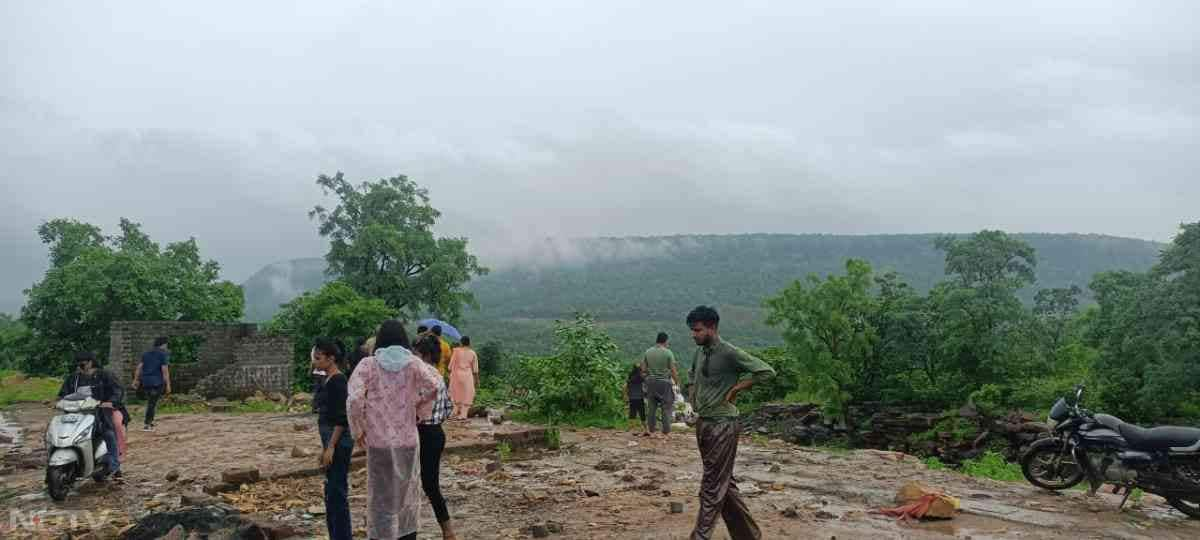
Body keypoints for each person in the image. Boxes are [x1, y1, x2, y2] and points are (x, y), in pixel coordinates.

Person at [685, 306, 775, 540]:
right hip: (704, 424)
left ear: (712, 328)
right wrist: (692, 399)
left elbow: (766, 372)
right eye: (692, 331)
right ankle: (748, 535)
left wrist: (737, 387)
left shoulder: (729, 352)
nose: (693, 335)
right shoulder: (700, 352)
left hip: (723, 425)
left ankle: (700, 537)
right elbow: (692, 375)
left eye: (697, 330)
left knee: (712, 486)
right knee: (724, 483)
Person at [348, 320, 440, 540]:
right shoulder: (414, 364)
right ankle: (406, 535)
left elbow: (353, 400)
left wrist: (359, 429)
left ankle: (383, 536)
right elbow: (435, 385)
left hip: (378, 441)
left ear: (380, 340)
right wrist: (418, 407)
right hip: (407, 440)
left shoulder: (368, 365)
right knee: (407, 494)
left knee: (381, 497)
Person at [414, 335, 458, 539]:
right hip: (436, 432)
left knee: (427, 484)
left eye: (416, 354)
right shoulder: (439, 376)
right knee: (430, 483)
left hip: (424, 433)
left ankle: (447, 531)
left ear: (425, 355)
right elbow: (449, 407)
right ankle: (447, 531)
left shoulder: (422, 377)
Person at [58, 351, 125, 482]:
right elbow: (63, 393)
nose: (79, 366)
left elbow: (117, 391)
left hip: (100, 414)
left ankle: (115, 465)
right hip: (77, 415)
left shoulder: (105, 375)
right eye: (77, 364)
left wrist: (110, 402)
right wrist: (57, 401)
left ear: (90, 362)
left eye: (82, 363)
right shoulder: (74, 378)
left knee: (109, 434)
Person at [312, 338, 353, 540]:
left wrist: (330, 447)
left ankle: (342, 536)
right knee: (331, 491)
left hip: (338, 441)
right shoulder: (326, 379)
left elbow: (341, 419)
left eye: (318, 358)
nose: (315, 361)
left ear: (331, 359)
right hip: (330, 440)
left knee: (337, 491)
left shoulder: (338, 381)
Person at [641, 332, 679, 438]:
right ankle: (666, 431)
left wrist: (648, 378)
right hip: (665, 383)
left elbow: (643, 369)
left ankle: (651, 430)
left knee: (652, 406)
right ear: (666, 341)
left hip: (651, 382)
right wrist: (677, 382)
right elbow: (673, 370)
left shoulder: (648, 352)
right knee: (666, 407)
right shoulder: (668, 353)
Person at [131, 337, 171, 432]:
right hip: (157, 382)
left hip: (146, 382)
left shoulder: (146, 354)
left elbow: (139, 368)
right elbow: (165, 370)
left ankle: (150, 421)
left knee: (152, 401)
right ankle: (147, 423)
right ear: (163, 344)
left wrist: (135, 380)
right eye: (167, 345)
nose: (167, 347)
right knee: (152, 403)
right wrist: (168, 385)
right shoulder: (162, 354)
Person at [447, 336, 479, 421]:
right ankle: (463, 414)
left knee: (456, 393)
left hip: (456, 375)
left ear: (461, 343)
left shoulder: (456, 352)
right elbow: (475, 369)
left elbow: (450, 367)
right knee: (467, 394)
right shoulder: (473, 353)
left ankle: (454, 412)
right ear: (469, 343)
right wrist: (477, 380)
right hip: (467, 376)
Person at [624, 364, 648, 435]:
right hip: (640, 398)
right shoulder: (641, 379)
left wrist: (625, 396)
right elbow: (645, 387)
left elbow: (625, 387)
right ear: (639, 371)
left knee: (632, 413)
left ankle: (631, 428)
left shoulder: (630, 378)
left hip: (632, 398)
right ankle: (645, 429)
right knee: (642, 414)